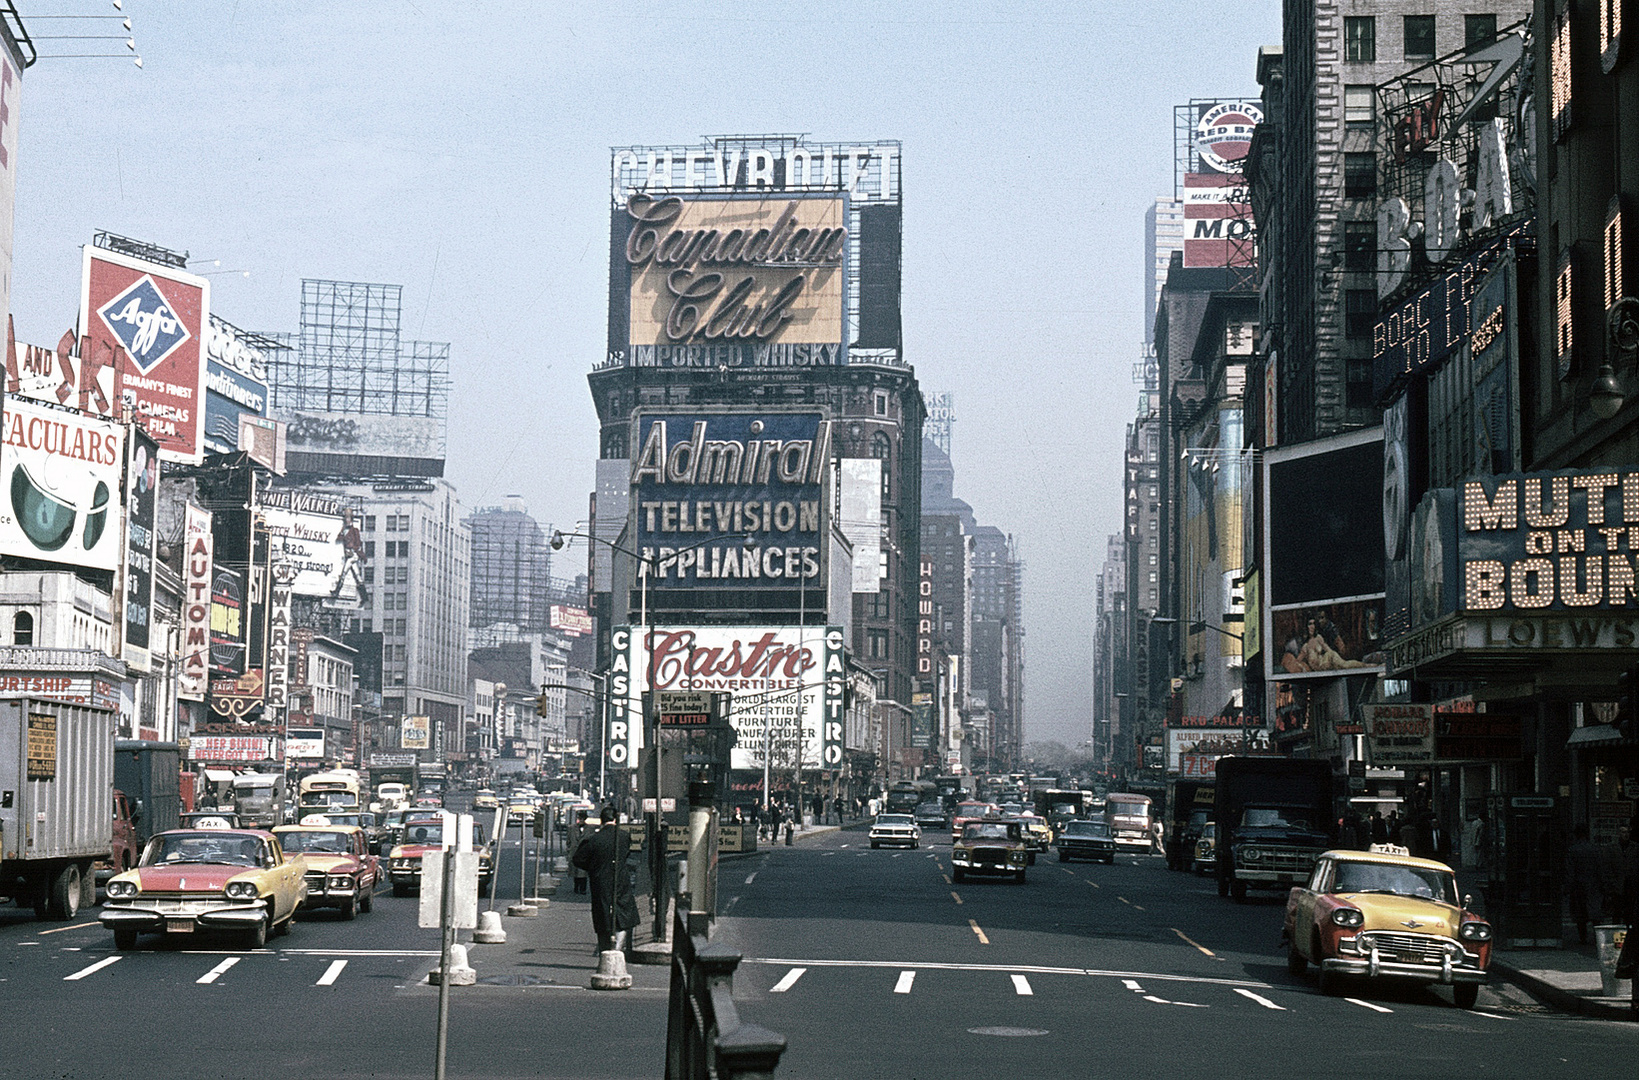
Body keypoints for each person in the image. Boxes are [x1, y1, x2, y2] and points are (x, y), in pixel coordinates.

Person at [572, 804, 638, 954]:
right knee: (623, 910)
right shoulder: (624, 836)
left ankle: (604, 946)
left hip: (600, 880)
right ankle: (618, 947)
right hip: (620, 878)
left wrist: (593, 867)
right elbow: (626, 854)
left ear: (601, 821)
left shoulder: (594, 839)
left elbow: (578, 859)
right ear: (615, 820)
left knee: (602, 913)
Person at [1566, 823, 1605, 945]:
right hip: (1593, 885)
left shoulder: (1573, 850)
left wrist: (1568, 886)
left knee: (1580, 915)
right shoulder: (1595, 849)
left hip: (1579, 885)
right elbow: (1600, 869)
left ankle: (1583, 938)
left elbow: (1570, 871)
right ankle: (1598, 937)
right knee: (1595, 914)